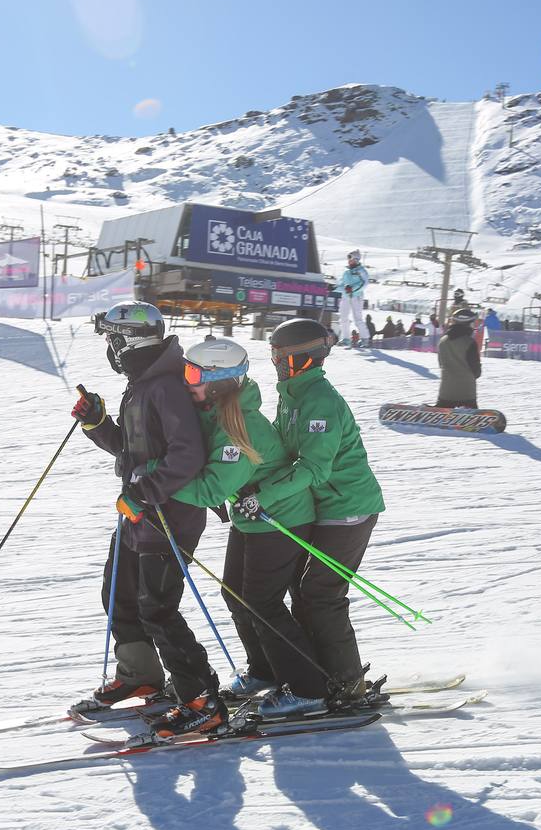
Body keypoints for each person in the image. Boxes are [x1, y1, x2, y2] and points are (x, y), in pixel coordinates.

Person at [71, 300, 223, 737]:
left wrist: (143, 493)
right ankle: (140, 675)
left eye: (112, 339)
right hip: (140, 515)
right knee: (118, 592)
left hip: (169, 519)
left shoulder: (167, 387)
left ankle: (201, 699)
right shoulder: (142, 384)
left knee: (158, 609)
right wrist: (98, 423)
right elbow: (132, 450)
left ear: (130, 341)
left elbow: (187, 457)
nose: (110, 348)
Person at [171, 337, 329, 719]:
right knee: (236, 594)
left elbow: (212, 489)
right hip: (252, 517)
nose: (186, 382)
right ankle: (265, 670)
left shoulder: (238, 428)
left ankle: (308, 689)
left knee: (263, 603)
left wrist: (158, 484)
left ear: (218, 382)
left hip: (281, 519)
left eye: (192, 375)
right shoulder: (217, 414)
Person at [243, 318, 385, 703]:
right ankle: (318, 675)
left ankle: (348, 684)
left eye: (280, 355)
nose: (275, 362)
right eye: (273, 354)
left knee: (321, 594)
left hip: (348, 507)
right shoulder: (291, 394)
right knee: (301, 591)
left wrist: (265, 497)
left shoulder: (320, 401)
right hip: (320, 506)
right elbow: (280, 451)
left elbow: (313, 468)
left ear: (302, 358)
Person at [437, 307, 482, 408]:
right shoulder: (469, 342)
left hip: (445, 393)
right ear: (469, 324)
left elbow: (441, 364)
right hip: (466, 394)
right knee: (469, 416)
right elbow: (476, 371)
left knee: (444, 413)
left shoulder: (443, 341)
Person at [335, 250, 369, 347]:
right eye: (348, 259)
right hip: (346, 297)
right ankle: (346, 339)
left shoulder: (361, 271)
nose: (349, 261)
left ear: (356, 259)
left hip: (356, 296)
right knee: (343, 317)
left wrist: (352, 289)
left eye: (351, 258)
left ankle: (365, 339)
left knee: (357, 318)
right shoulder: (346, 272)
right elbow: (342, 285)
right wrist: (333, 287)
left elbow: (364, 283)